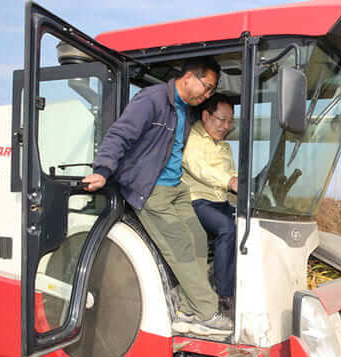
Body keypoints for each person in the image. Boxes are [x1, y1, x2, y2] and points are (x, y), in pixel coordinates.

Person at [81, 57, 232, 337]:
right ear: (188, 76)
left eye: (211, 91)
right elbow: (120, 134)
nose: (207, 95)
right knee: (180, 247)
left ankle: (188, 309)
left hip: (176, 188)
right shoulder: (151, 100)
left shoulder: (186, 110)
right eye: (207, 87)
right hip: (151, 189)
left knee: (198, 239)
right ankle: (207, 312)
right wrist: (103, 170)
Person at [181, 94, 237, 312]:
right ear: (205, 115)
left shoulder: (225, 147)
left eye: (230, 121)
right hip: (197, 201)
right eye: (221, 119)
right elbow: (197, 167)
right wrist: (228, 181)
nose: (226, 126)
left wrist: (239, 183)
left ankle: (237, 280)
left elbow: (231, 172)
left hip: (220, 201)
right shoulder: (193, 138)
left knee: (250, 223)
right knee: (227, 228)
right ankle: (224, 295)